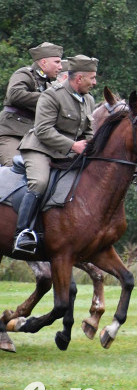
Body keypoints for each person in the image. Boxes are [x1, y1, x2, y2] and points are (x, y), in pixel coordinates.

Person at [11, 55, 99, 256]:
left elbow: (88, 132)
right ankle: (22, 233)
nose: (95, 83)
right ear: (79, 79)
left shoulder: (89, 100)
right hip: (40, 149)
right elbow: (43, 130)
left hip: (67, 153)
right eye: (92, 78)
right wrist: (73, 145)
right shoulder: (52, 95)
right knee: (40, 182)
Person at [0, 42, 64, 166]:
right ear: (44, 62)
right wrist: (49, 98)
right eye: (57, 62)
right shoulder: (25, 74)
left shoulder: (48, 85)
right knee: (15, 168)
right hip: (11, 134)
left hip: (33, 139)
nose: (61, 67)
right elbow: (14, 94)